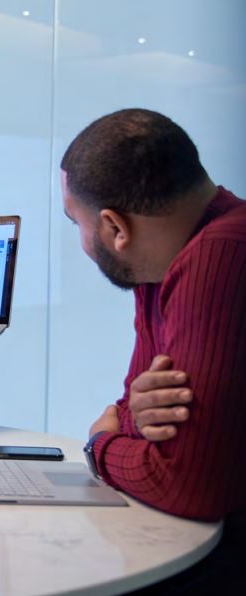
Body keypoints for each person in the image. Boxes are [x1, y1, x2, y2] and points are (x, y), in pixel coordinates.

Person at [62, 109, 244, 585]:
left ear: (115, 229)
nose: (82, 242)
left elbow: (187, 481)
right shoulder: (160, 263)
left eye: (75, 223)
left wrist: (100, 446)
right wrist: (131, 423)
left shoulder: (220, 255)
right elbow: (135, 407)